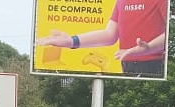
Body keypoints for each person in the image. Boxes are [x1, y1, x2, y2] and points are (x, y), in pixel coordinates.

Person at [35, 0, 167, 77]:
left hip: (155, 65)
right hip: (127, 67)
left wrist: (149, 48)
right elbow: (110, 35)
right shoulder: (121, 1)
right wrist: (72, 41)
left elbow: (170, 33)